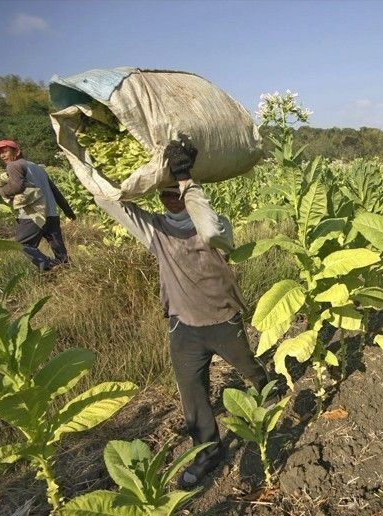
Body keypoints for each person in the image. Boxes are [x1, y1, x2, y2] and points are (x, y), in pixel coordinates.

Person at [91, 136, 268, 488]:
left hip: (222, 319)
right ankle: (208, 452)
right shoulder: (154, 229)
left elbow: (211, 230)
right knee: (192, 395)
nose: (170, 197)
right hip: (182, 327)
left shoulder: (217, 223)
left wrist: (187, 180)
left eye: (177, 191)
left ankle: (266, 389)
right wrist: (87, 164)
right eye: (165, 192)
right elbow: (109, 203)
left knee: (248, 368)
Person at [0, 140, 76, 271]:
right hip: (51, 213)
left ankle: (50, 267)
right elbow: (55, 191)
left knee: (23, 243)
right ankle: (67, 270)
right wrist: (68, 211)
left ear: (17, 152)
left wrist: (1, 191)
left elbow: (17, 186)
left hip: (33, 214)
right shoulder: (37, 167)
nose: (2, 155)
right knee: (58, 248)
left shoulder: (14, 165)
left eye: (5, 151)